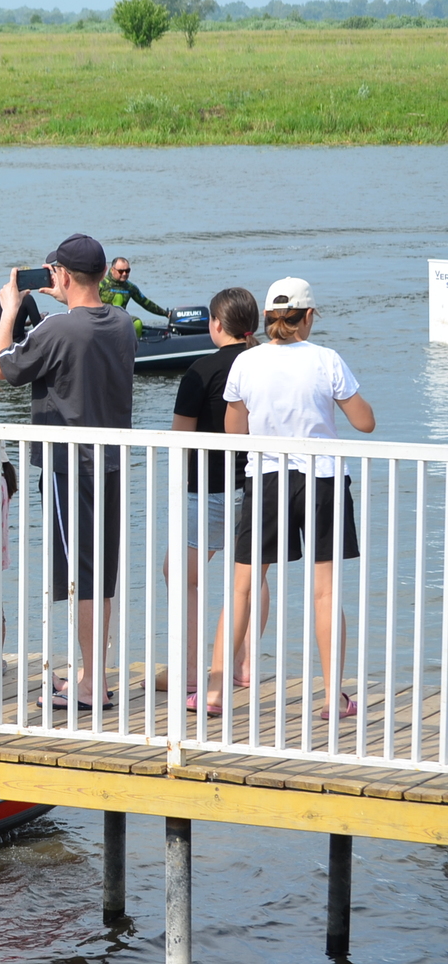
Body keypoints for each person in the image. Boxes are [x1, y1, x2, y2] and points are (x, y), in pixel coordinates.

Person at [201, 277, 376, 719]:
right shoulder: (326, 360)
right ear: (310, 316)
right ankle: (334, 698)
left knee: (242, 587)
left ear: (267, 318)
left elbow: (234, 431)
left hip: (265, 478)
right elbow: (365, 423)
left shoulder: (247, 362)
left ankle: (216, 692)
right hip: (322, 480)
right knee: (324, 593)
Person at [0, 234, 135, 711]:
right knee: (101, 573)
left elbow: (4, 367)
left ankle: (91, 686)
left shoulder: (55, 328)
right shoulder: (123, 323)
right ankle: (93, 676)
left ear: (63, 275)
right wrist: (67, 298)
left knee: (81, 577)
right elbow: (87, 324)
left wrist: (11, 309)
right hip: (111, 463)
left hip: (69, 467)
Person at [158, 288, 265, 694]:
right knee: (251, 575)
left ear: (215, 324)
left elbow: (180, 438)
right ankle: (244, 666)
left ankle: (187, 670)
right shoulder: (263, 364)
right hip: (257, 484)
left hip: (208, 487)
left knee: (181, 574)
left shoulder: (201, 370)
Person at [101, 257, 167, 335]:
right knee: (119, 297)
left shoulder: (130, 287)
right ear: (112, 270)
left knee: (137, 323)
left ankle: (137, 345)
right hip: (101, 318)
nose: (124, 274)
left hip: (121, 319)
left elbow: (145, 303)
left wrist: (166, 314)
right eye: (121, 271)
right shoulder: (101, 284)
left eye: (127, 271)